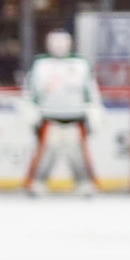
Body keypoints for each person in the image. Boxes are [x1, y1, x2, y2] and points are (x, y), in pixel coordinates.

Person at [21, 28, 105, 196]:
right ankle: (37, 181)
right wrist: (30, 112)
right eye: (55, 42)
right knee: (45, 153)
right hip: (48, 118)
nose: (59, 46)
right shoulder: (40, 64)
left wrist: (94, 111)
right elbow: (30, 92)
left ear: (70, 43)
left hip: (76, 119)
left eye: (62, 42)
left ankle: (84, 182)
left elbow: (91, 92)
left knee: (78, 154)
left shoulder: (80, 64)